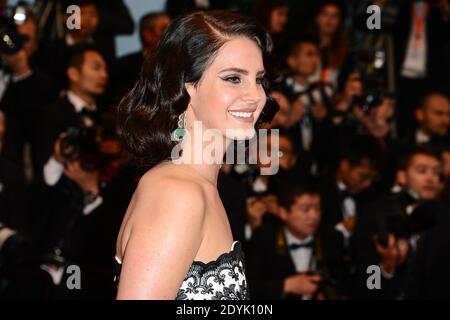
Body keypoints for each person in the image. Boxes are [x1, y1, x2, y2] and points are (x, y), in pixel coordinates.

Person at [114, 10, 278, 300]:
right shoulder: (177, 193)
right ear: (186, 89)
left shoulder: (200, 186)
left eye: (259, 79)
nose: (256, 96)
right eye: (233, 79)